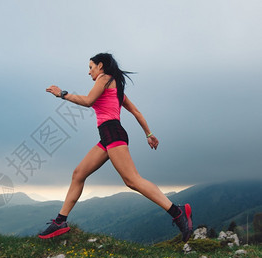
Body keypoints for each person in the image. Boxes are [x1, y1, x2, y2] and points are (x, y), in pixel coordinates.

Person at [39, 53, 193, 242]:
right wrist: (149, 134)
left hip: (112, 133)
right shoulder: (117, 87)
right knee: (78, 174)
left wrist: (62, 94)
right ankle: (60, 221)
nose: (89, 72)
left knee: (132, 180)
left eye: (91, 67)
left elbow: (88, 101)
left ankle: (178, 214)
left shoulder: (104, 79)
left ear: (100, 66)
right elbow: (136, 112)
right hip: (108, 136)